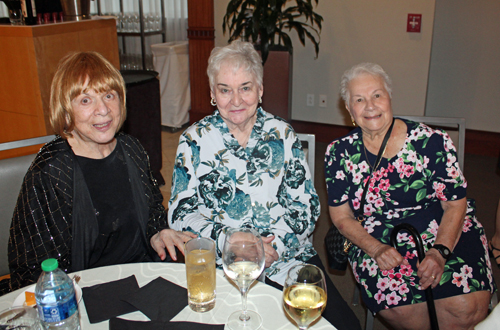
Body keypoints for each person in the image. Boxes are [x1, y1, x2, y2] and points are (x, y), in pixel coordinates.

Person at [168, 40, 360, 330]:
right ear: (212, 93)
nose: (235, 100)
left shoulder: (283, 135)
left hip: (285, 258)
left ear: (260, 90)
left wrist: (270, 249)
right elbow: (181, 212)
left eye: (245, 87)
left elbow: (305, 206)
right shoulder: (193, 140)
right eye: (224, 89)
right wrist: (230, 243)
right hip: (222, 265)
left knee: (346, 327)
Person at [325, 62, 496, 329]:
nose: (370, 106)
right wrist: (375, 248)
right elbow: (341, 216)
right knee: (404, 311)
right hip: (376, 233)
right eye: (359, 99)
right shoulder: (339, 153)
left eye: (377, 95)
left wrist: (439, 252)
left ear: (389, 97)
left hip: (442, 224)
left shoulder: (432, 142)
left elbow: (454, 205)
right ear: (349, 109)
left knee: (466, 308)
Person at [7, 51, 195, 292]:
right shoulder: (50, 172)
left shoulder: (131, 148)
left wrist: (157, 234)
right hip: (83, 295)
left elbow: (152, 213)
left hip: (143, 279)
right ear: (66, 110)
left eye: (109, 95)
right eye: (86, 100)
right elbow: (32, 269)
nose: (103, 110)